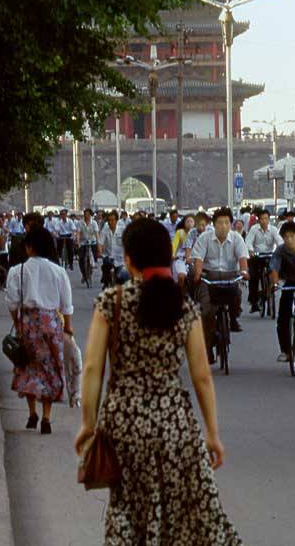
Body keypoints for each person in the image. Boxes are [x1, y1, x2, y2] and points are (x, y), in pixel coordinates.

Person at [75, 219, 241, 545]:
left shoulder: (113, 302)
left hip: (124, 423)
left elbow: (93, 367)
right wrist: (212, 434)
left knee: (129, 504)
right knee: (179, 509)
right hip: (175, 424)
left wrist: (88, 424)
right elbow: (202, 377)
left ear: (128, 260)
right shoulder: (184, 307)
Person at [5, 226, 74, 435]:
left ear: (29, 247)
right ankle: (46, 417)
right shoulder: (59, 271)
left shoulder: (18, 271)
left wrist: (18, 324)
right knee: (51, 368)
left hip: (28, 324)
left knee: (27, 366)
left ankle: (32, 412)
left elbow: (12, 302)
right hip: (52, 323)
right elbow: (66, 304)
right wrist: (68, 328)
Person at [192, 208, 249, 363]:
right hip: (209, 277)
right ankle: (208, 348)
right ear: (214, 225)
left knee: (236, 297)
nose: (223, 226)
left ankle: (233, 318)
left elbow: (242, 257)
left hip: (230, 276)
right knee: (207, 312)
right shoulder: (204, 238)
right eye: (219, 223)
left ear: (231, 224)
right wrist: (198, 274)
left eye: (226, 223)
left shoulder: (237, 238)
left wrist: (244, 271)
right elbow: (198, 259)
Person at [269, 221, 295, 363]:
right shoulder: (280, 251)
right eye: (286, 237)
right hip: (289, 282)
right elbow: (274, 268)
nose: (289, 239)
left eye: (292, 236)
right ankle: (285, 351)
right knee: (283, 317)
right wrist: (275, 283)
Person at [245, 209, 283, 313]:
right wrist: (251, 251)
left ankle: (271, 291)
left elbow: (279, 241)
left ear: (269, 219)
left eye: (266, 218)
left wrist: (280, 250)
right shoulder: (254, 229)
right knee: (253, 277)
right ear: (259, 220)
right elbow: (248, 241)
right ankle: (254, 302)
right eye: (262, 219)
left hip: (269, 256)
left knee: (273, 272)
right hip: (256, 256)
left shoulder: (274, 230)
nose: (264, 221)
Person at [98, 210, 128, 286]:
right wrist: (100, 252)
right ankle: (106, 283)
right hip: (108, 256)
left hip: (120, 259)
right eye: (109, 220)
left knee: (123, 277)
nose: (110, 222)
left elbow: (127, 243)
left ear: (117, 220)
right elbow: (100, 242)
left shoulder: (122, 230)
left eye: (112, 220)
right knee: (105, 269)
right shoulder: (105, 229)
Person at [76, 208, 101, 286]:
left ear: (91, 215)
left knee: (94, 257)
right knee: (81, 259)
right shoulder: (80, 222)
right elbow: (78, 233)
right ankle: (84, 274)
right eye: (85, 214)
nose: (87, 216)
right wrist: (78, 242)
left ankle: (90, 272)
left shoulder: (94, 223)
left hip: (92, 242)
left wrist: (98, 243)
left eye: (88, 214)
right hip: (83, 242)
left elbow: (97, 234)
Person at [171, 215, 195, 289]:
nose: (189, 223)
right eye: (187, 221)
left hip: (194, 259)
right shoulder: (179, 232)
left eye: (191, 221)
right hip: (181, 258)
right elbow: (174, 245)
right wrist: (173, 254)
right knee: (181, 277)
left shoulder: (196, 233)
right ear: (184, 223)